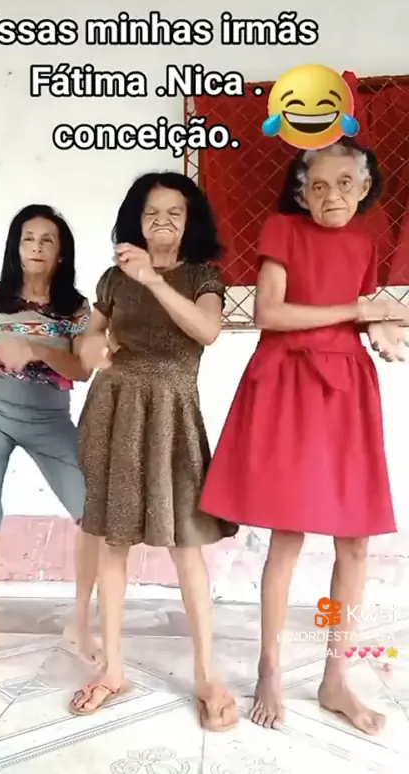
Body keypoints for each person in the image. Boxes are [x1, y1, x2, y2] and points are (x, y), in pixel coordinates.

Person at [199, 139, 409, 735]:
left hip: (347, 386)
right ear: (301, 192)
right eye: (318, 186)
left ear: (364, 189)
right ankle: (269, 668)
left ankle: (335, 676)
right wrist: (358, 311)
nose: (331, 195)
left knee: (356, 541)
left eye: (344, 184)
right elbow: (270, 313)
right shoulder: (282, 230)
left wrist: (382, 327)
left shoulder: (366, 242)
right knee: (287, 533)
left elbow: (357, 314)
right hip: (288, 379)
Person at [68, 171, 239, 730]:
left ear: (190, 223)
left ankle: (207, 674)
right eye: (151, 213)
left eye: (174, 213)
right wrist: (93, 347)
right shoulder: (113, 280)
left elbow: (207, 331)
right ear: (135, 222)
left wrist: (153, 279)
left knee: (186, 546)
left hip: (172, 415)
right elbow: (88, 340)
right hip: (114, 411)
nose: (162, 221)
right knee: (112, 542)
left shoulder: (203, 277)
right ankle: (113, 669)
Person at [0, 204, 99, 671]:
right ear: (16, 246)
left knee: (94, 515)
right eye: (28, 238)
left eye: (47, 240)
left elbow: (83, 370)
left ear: (60, 253)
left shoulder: (76, 309)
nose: (36, 247)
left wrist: (35, 349)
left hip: (48, 417)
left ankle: (81, 624)